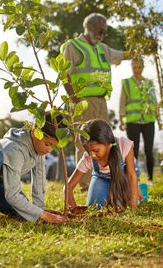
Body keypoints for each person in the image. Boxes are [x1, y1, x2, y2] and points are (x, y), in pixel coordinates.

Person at [60, 13, 134, 192]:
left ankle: (103, 179)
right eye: (100, 31)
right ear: (89, 27)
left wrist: (138, 52)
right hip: (82, 100)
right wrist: (74, 99)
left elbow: (121, 55)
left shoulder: (103, 49)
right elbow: (64, 73)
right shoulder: (73, 46)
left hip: (101, 101)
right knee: (85, 141)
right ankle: (86, 184)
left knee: (104, 141)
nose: (102, 35)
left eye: (104, 33)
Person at [0, 113, 69, 223]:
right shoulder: (15, 149)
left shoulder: (39, 150)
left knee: (21, 211)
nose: (49, 150)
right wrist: (41, 214)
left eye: (54, 147)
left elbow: (39, 181)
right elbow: (12, 195)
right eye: (48, 144)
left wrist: (40, 211)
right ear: (35, 133)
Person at [64, 119, 144, 212]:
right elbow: (68, 187)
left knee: (121, 204)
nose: (92, 155)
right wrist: (73, 207)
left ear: (107, 143)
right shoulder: (87, 158)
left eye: (95, 150)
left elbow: (131, 176)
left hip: (124, 174)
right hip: (102, 177)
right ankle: (111, 192)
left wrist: (133, 206)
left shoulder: (123, 144)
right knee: (95, 206)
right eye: (88, 151)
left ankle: (139, 192)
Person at [119, 58, 158, 185]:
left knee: (149, 150)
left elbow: (154, 101)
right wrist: (121, 118)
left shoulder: (149, 83)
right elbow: (122, 101)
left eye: (139, 67)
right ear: (131, 68)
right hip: (132, 121)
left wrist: (158, 117)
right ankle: (134, 177)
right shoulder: (126, 83)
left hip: (148, 121)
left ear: (143, 68)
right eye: (134, 67)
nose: (137, 70)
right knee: (133, 151)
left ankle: (151, 178)